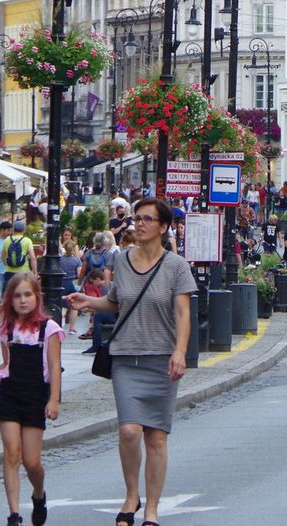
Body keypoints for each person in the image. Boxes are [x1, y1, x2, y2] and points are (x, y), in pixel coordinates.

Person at [65, 198, 196, 526]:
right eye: (137, 218)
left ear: (163, 226)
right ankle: (130, 495)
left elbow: (183, 313)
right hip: (125, 355)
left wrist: (180, 352)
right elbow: (116, 301)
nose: (139, 224)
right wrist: (89, 302)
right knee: (128, 430)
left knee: (156, 436)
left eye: (147, 219)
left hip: (161, 358)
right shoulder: (121, 260)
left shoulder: (176, 266)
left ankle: (151, 508)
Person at [0, 274, 63, 526]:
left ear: (37, 297)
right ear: (10, 300)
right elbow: (7, 364)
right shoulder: (6, 328)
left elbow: (54, 366)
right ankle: (14, 514)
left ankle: (39, 493)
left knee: (32, 461)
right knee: (11, 453)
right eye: (17, 296)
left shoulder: (49, 328)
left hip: (35, 395)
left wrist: (53, 400)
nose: (23, 301)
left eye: (28, 295)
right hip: (10, 393)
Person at [2, 221, 36, 290]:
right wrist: (35, 272)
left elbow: (3, 256)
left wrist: (7, 265)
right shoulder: (27, 240)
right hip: (24, 272)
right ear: (24, 230)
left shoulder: (7, 240)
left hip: (9, 272)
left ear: (13, 229)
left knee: (10, 294)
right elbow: (33, 258)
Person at [60, 239, 82, 335]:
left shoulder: (59, 260)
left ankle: (59, 324)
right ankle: (72, 328)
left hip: (62, 283)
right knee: (74, 306)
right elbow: (79, 274)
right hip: (72, 283)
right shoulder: (77, 261)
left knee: (62, 306)